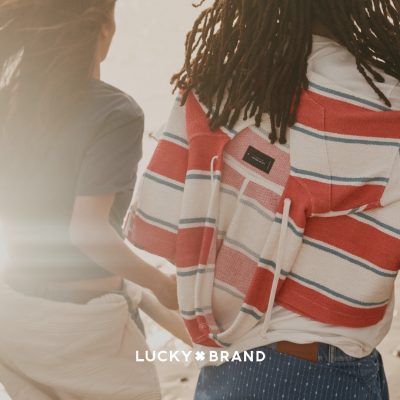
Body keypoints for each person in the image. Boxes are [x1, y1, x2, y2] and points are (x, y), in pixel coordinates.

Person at [125, 0, 400, 399]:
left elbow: (165, 227)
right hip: (323, 373)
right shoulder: (386, 107)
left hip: (228, 369)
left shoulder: (217, 84)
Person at [0, 0, 180, 399]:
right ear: (104, 29)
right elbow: (87, 232)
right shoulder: (116, 113)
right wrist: (161, 285)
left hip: (16, 318)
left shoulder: (8, 101)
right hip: (85, 330)